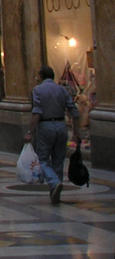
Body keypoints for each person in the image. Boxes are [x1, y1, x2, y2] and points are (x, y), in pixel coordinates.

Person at [25, 65, 81, 204]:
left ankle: (54, 182)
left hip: (45, 126)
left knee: (42, 159)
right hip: (61, 125)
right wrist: (76, 132)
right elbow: (73, 110)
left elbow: (37, 112)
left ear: (41, 77)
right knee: (58, 160)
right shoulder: (62, 89)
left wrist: (30, 132)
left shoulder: (38, 90)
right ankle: (55, 193)